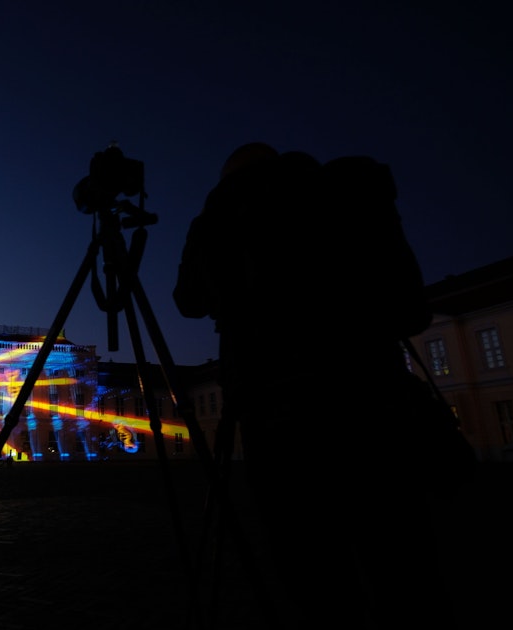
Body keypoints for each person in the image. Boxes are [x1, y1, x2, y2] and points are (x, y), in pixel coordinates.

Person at [174, 142, 455, 628]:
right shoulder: (352, 194)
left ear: (229, 181)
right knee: (404, 567)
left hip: (278, 414)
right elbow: (412, 308)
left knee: (314, 576)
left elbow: (188, 301)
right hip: (375, 405)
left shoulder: (221, 215)